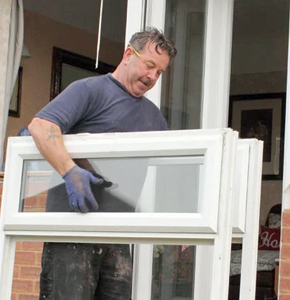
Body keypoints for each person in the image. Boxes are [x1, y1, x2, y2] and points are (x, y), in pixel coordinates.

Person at [27, 27, 177, 300]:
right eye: (150, 65)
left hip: (116, 235)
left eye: (160, 72)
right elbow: (41, 126)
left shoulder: (153, 118)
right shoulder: (89, 90)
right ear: (128, 54)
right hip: (71, 233)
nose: (152, 77)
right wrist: (70, 171)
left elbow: (172, 167)